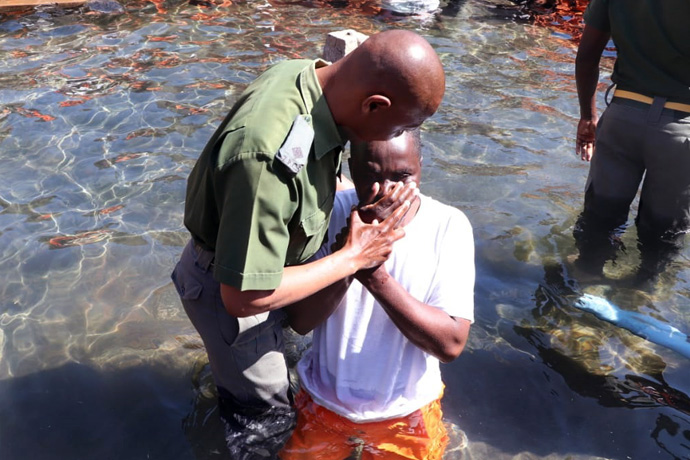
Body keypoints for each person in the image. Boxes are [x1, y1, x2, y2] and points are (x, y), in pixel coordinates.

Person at [171, 29, 446, 458]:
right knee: (264, 415)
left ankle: (227, 378)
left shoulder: (312, 80)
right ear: (374, 104)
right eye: (403, 125)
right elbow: (243, 296)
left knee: (280, 369)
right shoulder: (266, 157)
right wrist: (354, 256)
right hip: (233, 289)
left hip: (270, 262)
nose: (402, 135)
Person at [280, 129, 474, 460]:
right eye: (370, 175)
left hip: (407, 411)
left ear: (421, 167)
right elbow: (300, 322)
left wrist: (374, 274)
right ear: (350, 167)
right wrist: (349, 258)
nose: (385, 190)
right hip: (322, 401)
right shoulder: (328, 214)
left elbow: (451, 344)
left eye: (402, 176)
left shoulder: (448, 225)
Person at [573, 0, 690, 283]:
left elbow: (587, 56)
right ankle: (640, 294)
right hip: (682, 128)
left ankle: (581, 287)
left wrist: (588, 117)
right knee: (662, 237)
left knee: (598, 223)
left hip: (622, 118)